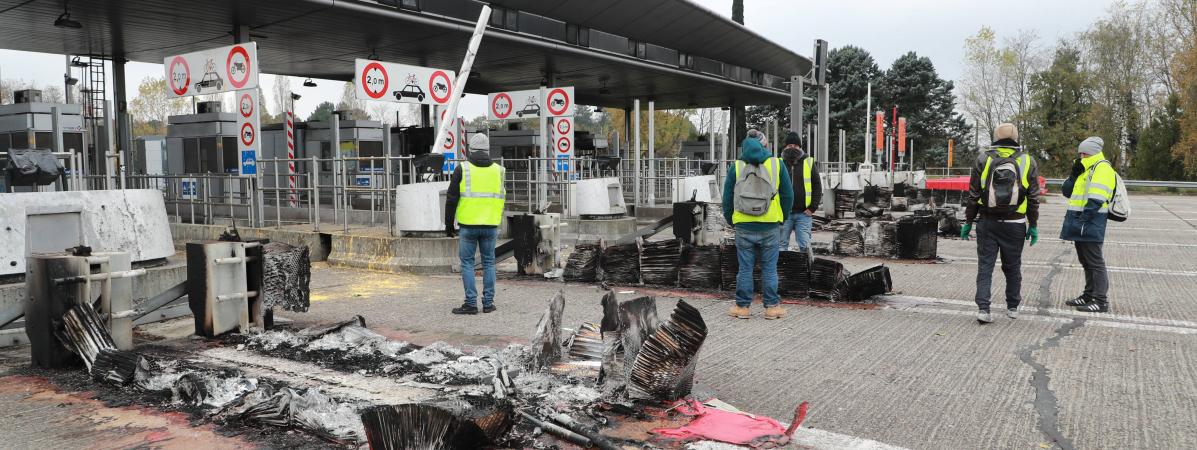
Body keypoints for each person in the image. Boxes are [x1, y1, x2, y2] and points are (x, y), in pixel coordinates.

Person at [960, 123, 1040, 323]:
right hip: (1015, 223)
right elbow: (1033, 197)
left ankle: (984, 310)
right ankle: (1013, 307)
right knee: (1013, 266)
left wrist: (968, 221)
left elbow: (973, 194)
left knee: (985, 266)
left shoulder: (983, 159)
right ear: (1016, 139)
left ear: (995, 138)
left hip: (988, 222)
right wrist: (1034, 225)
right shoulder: (1027, 161)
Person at [722, 134, 794, 320]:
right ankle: (772, 308)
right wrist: (782, 218)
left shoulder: (736, 166)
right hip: (770, 226)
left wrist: (733, 220)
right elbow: (788, 196)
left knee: (745, 268)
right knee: (770, 268)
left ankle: (742, 308)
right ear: (764, 146)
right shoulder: (777, 164)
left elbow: (727, 199)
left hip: (743, 226)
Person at [445, 133, 506, 315]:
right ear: (488, 150)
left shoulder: (462, 169)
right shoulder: (499, 170)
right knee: (489, 262)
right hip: (490, 225)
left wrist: (449, 225)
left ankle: (471, 304)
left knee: (467, 264)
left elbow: (451, 198)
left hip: (468, 226)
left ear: (470, 150)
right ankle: (488, 303)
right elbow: (502, 197)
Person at [1060, 137, 1115, 313]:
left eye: (1084, 153)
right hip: (1079, 219)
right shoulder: (1084, 168)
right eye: (1080, 153)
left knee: (1095, 261)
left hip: (1091, 220)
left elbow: (1097, 197)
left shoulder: (1102, 167)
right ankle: (1088, 295)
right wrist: (1073, 175)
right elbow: (1067, 192)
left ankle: (1100, 301)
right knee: (1085, 260)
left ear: (1092, 152)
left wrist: (1085, 217)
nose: (1081, 155)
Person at [779, 132, 821, 252]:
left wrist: (812, 208)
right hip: (784, 214)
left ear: (800, 147)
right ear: (785, 147)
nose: (792, 148)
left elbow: (817, 186)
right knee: (781, 246)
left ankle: (807, 270)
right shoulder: (778, 163)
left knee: (805, 246)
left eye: (795, 145)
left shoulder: (808, 162)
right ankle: (781, 270)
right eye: (789, 145)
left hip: (804, 213)